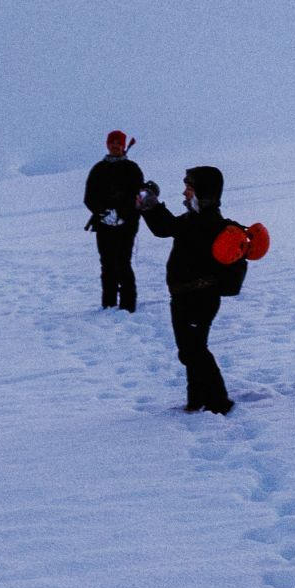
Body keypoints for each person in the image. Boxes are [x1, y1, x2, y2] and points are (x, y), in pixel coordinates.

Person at [139, 165, 239, 413]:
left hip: (198, 298)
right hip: (188, 296)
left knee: (193, 350)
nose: (184, 193)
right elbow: (169, 227)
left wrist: (151, 204)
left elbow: (169, 228)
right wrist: (151, 205)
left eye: (189, 189)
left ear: (202, 193)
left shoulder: (207, 222)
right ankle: (197, 400)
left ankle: (218, 402)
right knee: (192, 349)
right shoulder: (196, 219)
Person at [83, 130, 147, 310]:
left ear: (123, 145)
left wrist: (122, 215)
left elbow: (138, 197)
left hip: (127, 224)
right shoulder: (98, 169)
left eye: (118, 143)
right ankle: (108, 304)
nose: (115, 146)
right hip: (103, 224)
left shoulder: (132, 169)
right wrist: (104, 213)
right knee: (107, 263)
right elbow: (89, 197)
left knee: (123, 262)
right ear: (107, 145)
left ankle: (128, 306)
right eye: (112, 143)